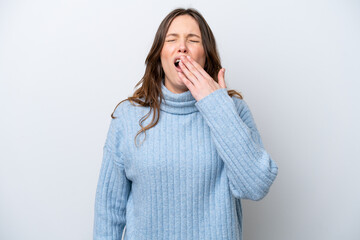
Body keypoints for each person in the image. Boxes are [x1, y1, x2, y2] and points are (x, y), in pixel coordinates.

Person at [93, 7, 278, 240]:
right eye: (172, 39)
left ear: (206, 54)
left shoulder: (233, 110)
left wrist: (216, 107)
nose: (182, 46)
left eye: (193, 39)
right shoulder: (128, 116)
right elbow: (108, 211)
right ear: (160, 54)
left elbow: (256, 186)